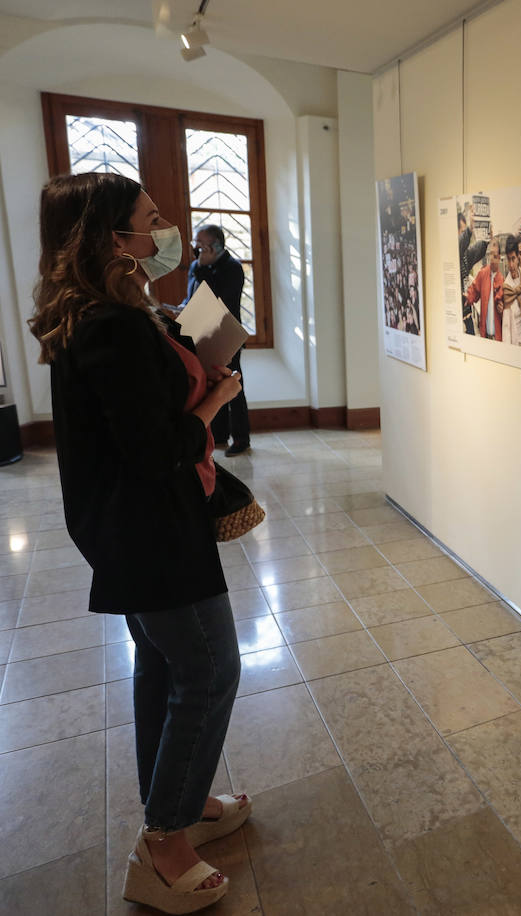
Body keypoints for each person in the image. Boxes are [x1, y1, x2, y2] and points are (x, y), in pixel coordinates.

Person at [29, 173, 252, 914]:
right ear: (108, 239)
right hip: (148, 526)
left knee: (162, 664)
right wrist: (218, 399)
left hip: (132, 525)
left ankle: (177, 806)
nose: (165, 232)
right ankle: (163, 845)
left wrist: (197, 374)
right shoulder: (112, 326)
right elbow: (155, 450)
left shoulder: (106, 314)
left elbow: (143, 417)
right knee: (212, 666)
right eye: (150, 221)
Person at [186, 224, 250, 456]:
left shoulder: (232, 268)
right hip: (201, 333)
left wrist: (203, 270)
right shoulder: (196, 266)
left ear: (216, 245)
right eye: (196, 242)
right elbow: (192, 295)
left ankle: (241, 438)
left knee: (233, 385)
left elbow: (219, 300)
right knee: (212, 384)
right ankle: (220, 435)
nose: (197, 247)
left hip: (226, 334)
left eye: (201, 243)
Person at [465, 239, 504, 340]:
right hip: (485, 335)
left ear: (499, 258)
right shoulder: (482, 274)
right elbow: (473, 291)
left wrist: (502, 309)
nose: (491, 259)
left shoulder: (502, 281)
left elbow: (506, 309)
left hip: (498, 337)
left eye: (494, 256)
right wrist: (466, 298)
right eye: (490, 254)